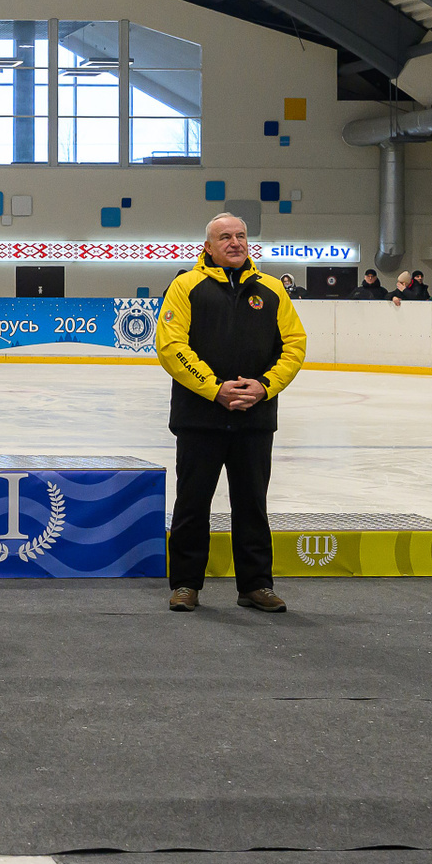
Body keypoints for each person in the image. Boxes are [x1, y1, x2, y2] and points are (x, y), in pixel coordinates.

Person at [156, 213, 306, 615]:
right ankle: (186, 584)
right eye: (225, 237)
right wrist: (214, 389)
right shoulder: (186, 286)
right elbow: (171, 347)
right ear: (208, 246)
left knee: (252, 504)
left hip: (254, 419)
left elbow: (293, 345)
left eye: (240, 235)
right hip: (199, 418)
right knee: (192, 504)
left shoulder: (272, 289)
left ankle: (256, 585)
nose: (235, 242)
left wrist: (264, 386)